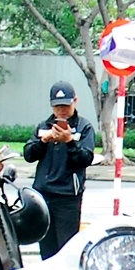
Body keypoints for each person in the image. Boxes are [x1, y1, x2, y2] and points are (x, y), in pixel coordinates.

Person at [24, 80, 96, 259]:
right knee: (46, 250)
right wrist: (44, 141)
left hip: (67, 198)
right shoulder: (44, 126)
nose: (61, 111)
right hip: (44, 195)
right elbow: (28, 155)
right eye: (57, 107)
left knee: (67, 250)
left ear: (75, 102)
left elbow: (86, 158)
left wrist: (70, 141)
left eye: (65, 106)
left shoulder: (83, 127)